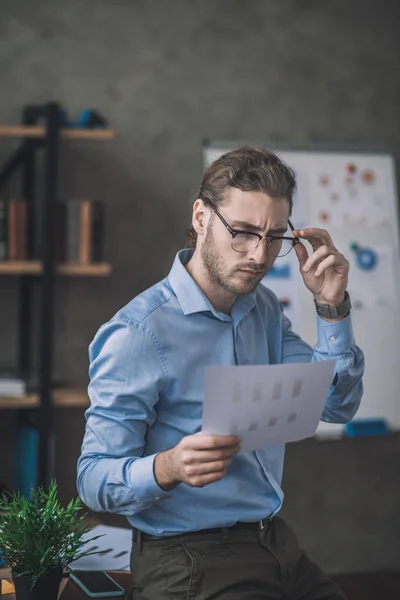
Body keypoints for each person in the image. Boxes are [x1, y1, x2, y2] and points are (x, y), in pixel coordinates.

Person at [77, 147, 364, 600]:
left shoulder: (264, 308)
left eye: (274, 238)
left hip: (275, 543)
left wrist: (331, 309)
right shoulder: (138, 333)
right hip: (186, 558)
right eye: (244, 232)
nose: (259, 254)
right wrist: (167, 467)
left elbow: (337, 405)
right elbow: (92, 480)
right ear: (200, 217)